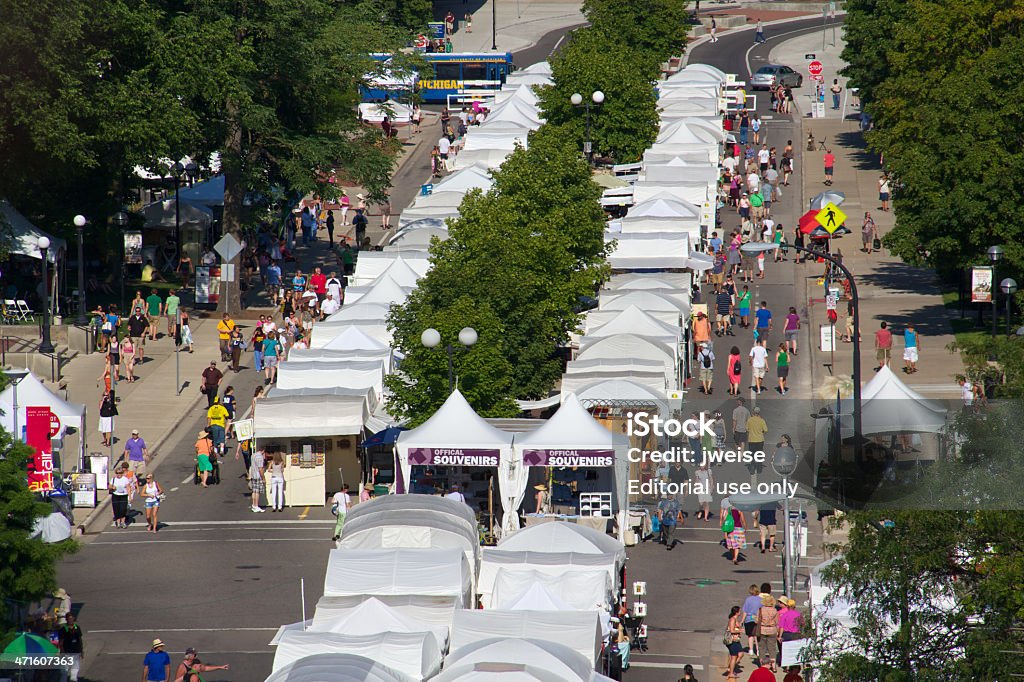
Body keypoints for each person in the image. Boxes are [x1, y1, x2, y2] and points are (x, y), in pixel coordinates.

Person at [755, 595, 780, 672]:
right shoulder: (775, 610)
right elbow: (777, 622)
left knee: (762, 648)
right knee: (772, 649)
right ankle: (773, 666)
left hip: (762, 629)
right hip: (772, 630)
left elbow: (756, 621)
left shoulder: (760, 610)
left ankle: (762, 665)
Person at [58, 612, 83, 680]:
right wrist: (62, 652)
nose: (71, 620)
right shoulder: (63, 629)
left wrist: (81, 651)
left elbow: (80, 640)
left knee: (74, 672)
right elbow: (61, 642)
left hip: (75, 652)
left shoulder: (77, 628)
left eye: (72, 619)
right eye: (69, 619)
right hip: (66, 653)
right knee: (64, 672)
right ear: (66, 619)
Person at [741, 584, 762, 658]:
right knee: (757, 635)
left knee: (750, 635)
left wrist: (742, 621)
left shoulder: (748, 599)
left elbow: (745, 611)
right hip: (757, 619)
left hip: (749, 619)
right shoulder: (760, 599)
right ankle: (758, 650)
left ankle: (751, 650)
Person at [724, 606, 745, 680]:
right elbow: (732, 630)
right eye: (739, 611)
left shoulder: (735, 619)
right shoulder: (732, 619)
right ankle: (731, 673)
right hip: (732, 641)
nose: (741, 612)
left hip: (736, 640)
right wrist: (739, 631)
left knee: (741, 654)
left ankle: (731, 668)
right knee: (734, 656)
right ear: (737, 612)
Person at [249, 446, 267, 512]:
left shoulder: (253, 455)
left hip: (253, 475)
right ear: (263, 451)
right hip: (258, 476)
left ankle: (254, 505)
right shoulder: (260, 457)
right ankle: (256, 505)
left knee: (254, 491)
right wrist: (263, 478)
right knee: (257, 492)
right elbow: (260, 469)